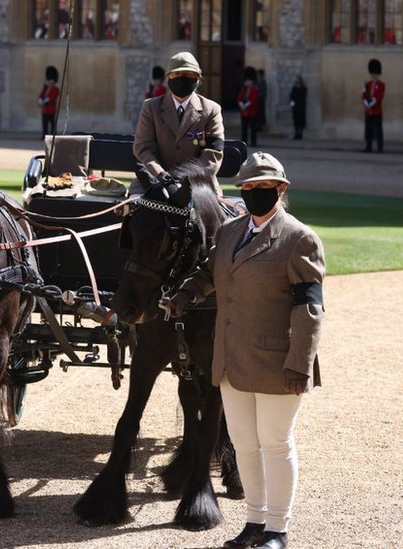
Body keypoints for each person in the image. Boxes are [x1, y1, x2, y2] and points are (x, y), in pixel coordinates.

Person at [164, 151, 325, 549]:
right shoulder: (230, 232)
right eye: (249, 188)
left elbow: (310, 308)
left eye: (263, 188)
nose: (255, 194)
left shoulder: (299, 238)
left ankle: (278, 529)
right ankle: (254, 523)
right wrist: (184, 294)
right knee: (244, 445)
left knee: (275, 443)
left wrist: (300, 364)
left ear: (281, 190)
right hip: (231, 359)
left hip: (278, 363)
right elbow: (208, 273)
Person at [133, 51, 225, 197]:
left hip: (197, 183)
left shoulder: (212, 110)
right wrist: (163, 177)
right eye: (176, 74)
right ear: (168, 77)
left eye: (188, 75)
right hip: (153, 180)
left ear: (197, 79)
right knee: (137, 213)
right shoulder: (151, 108)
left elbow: (212, 155)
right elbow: (143, 149)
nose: (182, 79)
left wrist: (184, 180)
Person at [363, 58, 385, 153]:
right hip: (368, 111)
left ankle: (380, 147)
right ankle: (368, 146)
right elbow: (364, 95)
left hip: (376, 110)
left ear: (378, 73)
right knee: (368, 130)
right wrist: (366, 104)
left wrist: (371, 104)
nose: (373, 75)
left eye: (375, 73)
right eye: (372, 73)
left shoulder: (381, 85)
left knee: (378, 130)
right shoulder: (368, 84)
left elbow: (379, 97)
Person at [238, 67, 260, 147]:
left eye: (248, 81)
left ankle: (253, 143)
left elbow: (253, 100)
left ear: (252, 82)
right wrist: (241, 104)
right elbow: (239, 98)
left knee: (253, 129)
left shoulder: (254, 90)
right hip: (244, 113)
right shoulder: (243, 90)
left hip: (252, 112)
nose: (247, 82)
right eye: (246, 81)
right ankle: (244, 142)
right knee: (244, 129)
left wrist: (246, 105)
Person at [39, 65, 60, 139]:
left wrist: (44, 101)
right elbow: (41, 95)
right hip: (45, 109)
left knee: (52, 123)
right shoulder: (45, 88)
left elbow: (52, 97)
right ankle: (44, 135)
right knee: (45, 124)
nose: (49, 81)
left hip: (51, 109)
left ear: (53, 80)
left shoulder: (55, 89)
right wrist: (40, 100)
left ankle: (53, 135)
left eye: (50, 80)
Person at [289, 76, 307, 140]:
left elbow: (303, 97)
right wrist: (292, 105)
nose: (298, 82)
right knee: (296, 121)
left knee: (301, 120)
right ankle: (296, 133)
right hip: (295, 107)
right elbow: (291, 97)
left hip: (301, 107)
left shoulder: (303, 89)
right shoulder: (294, 88)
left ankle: (300, 133)